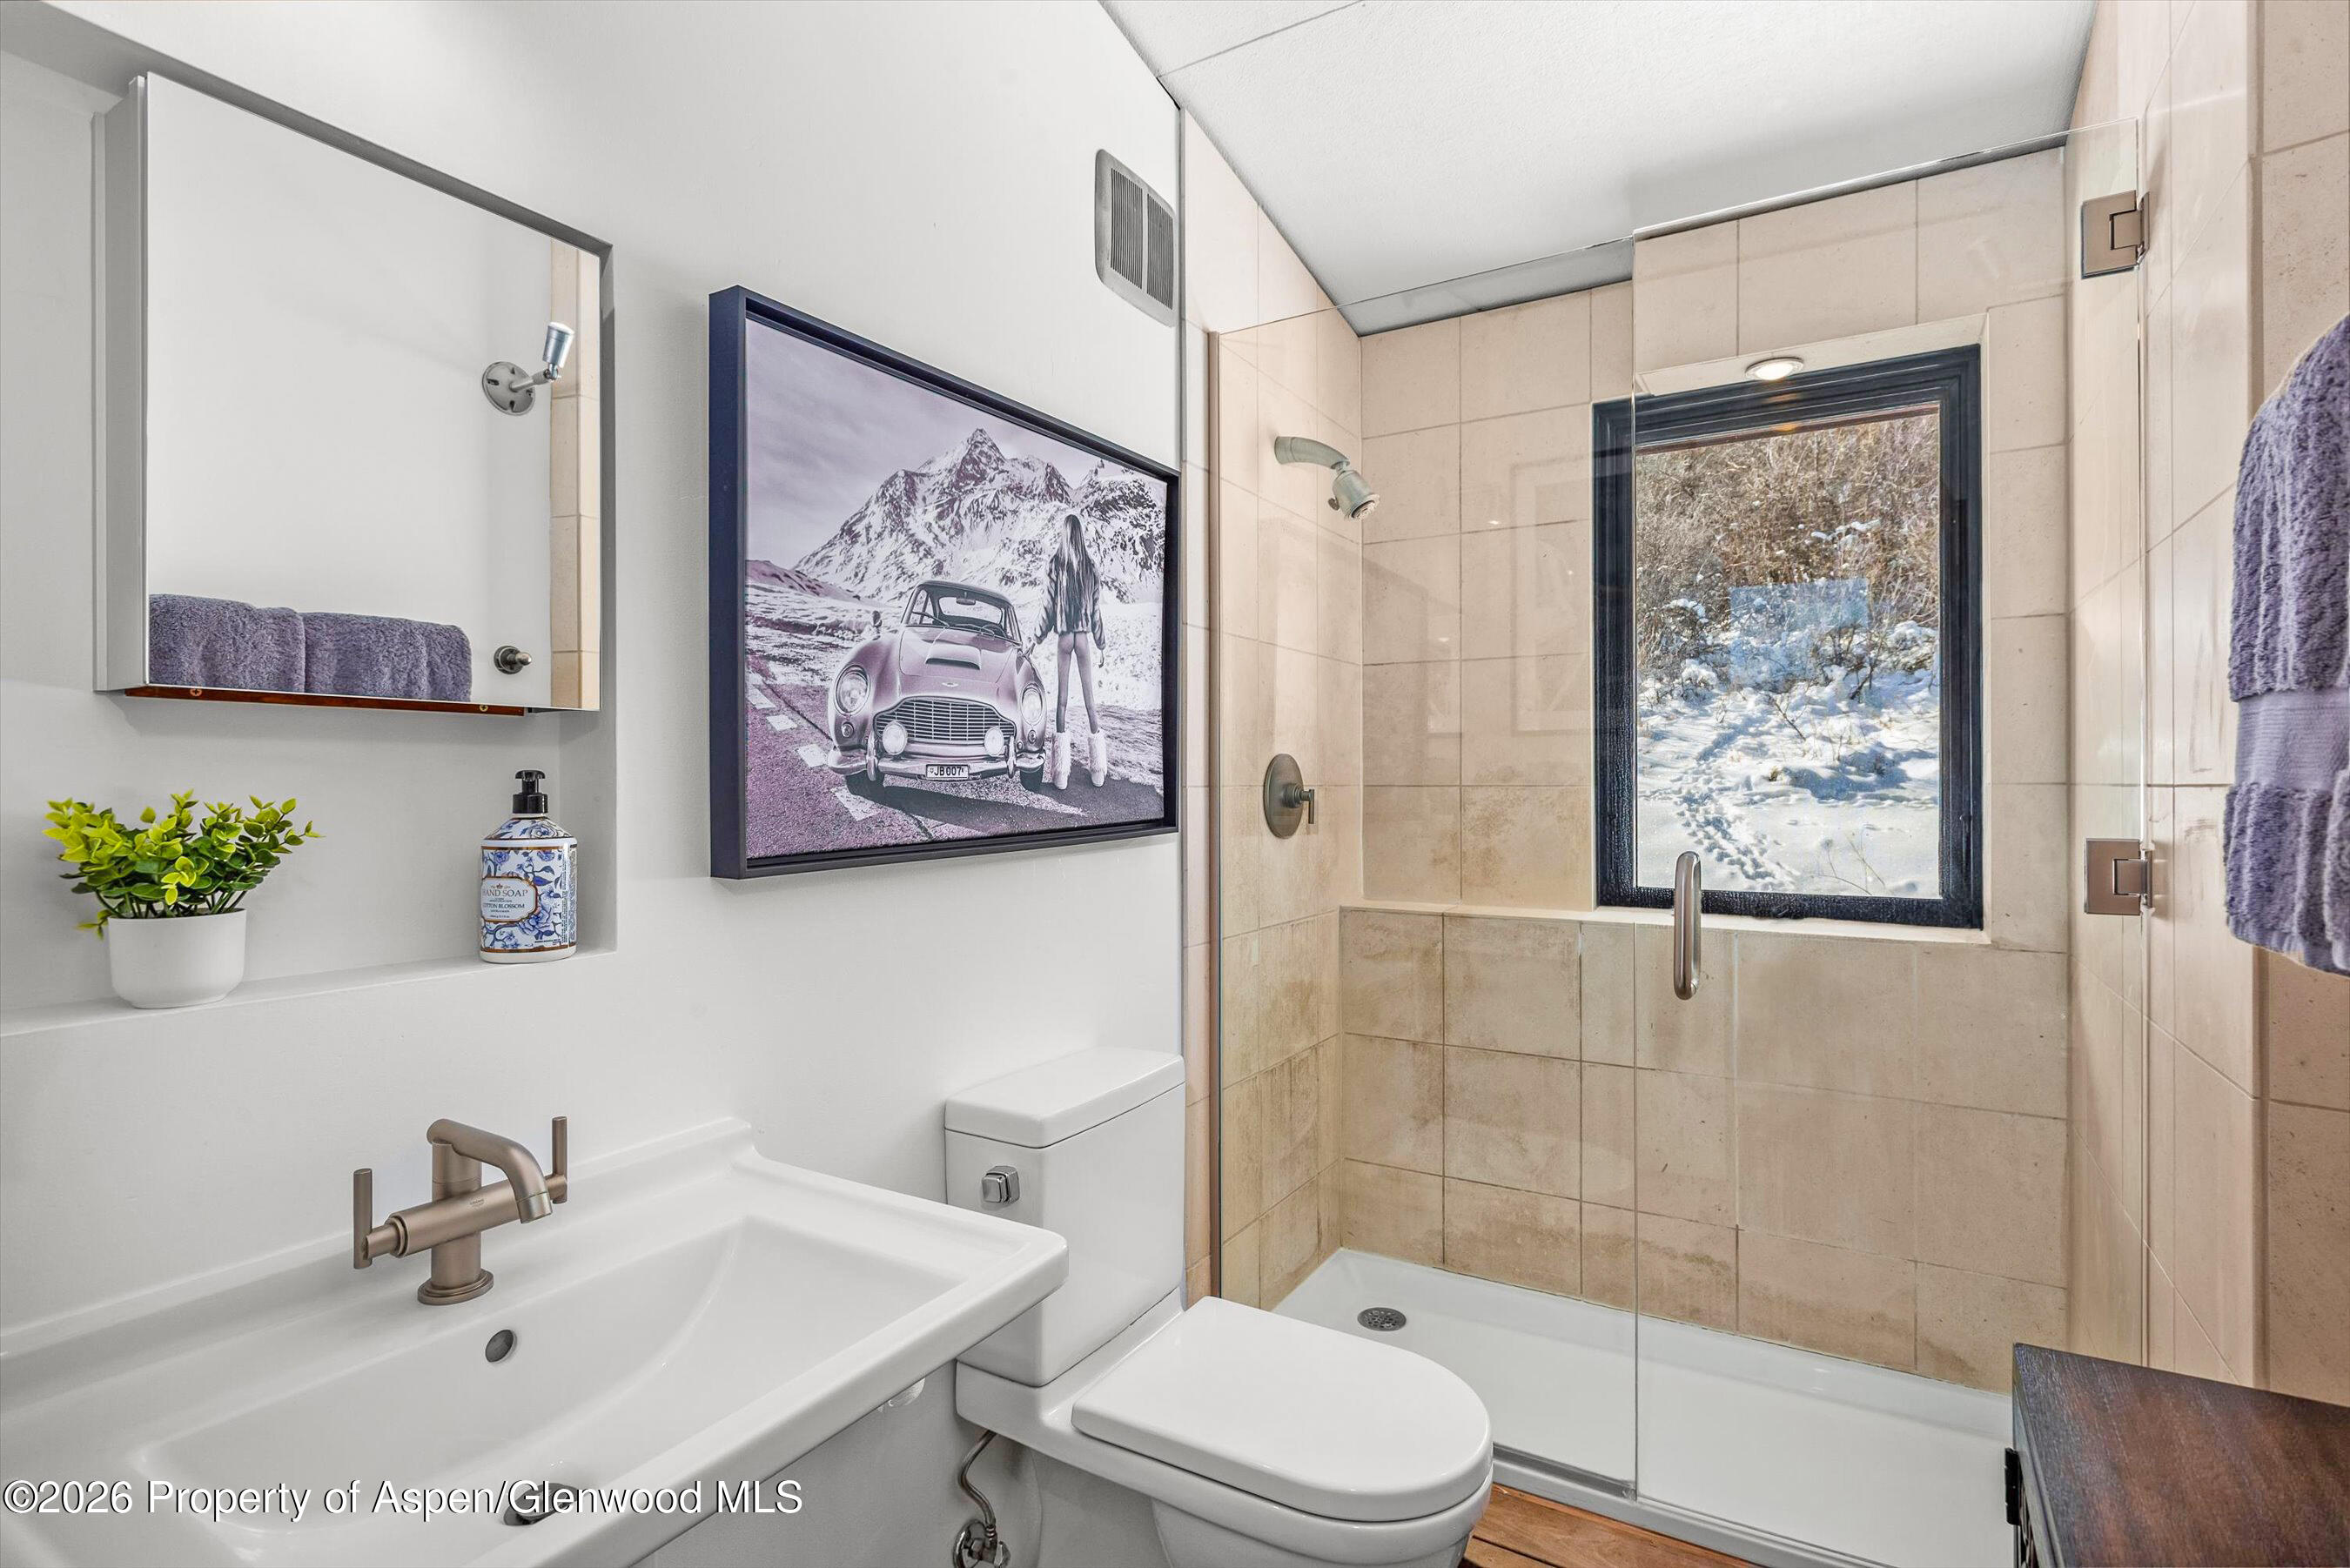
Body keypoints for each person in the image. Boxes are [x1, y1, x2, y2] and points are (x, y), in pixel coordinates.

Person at [1034, 513, 1109, 787]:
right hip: (1084, 639)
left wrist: (1036, 637)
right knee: (1090, 702)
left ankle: (1061, 773)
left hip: (1065, 637)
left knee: (1062, 701)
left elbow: (1048, 607)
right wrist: (1101, 644)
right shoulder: (1091, 567)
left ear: (1064, 535)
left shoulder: (1055, 564)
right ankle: (1098, 769)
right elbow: (1097, 613)